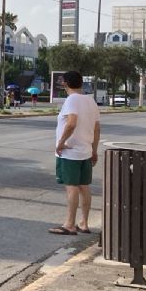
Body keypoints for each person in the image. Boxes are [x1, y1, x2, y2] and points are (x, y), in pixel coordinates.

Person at [49, 71, 100, 236]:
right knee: (84, 187)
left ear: (64, 83)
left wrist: (61, 142)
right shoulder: (90, 101)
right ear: (81, 83)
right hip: (85, 151)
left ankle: (69, 224)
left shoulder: (71, 100)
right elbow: (96, 128)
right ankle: (84, 223)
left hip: (70, 152)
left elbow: (71, 123)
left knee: (71, 188)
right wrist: (94, 150)